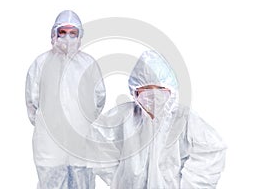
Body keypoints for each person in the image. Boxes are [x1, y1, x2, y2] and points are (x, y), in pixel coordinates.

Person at [91, 50, 226, 188]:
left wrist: (190, 184)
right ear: (135, 91)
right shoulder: (125, 116)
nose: (153, 95)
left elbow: (212, 149)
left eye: (160, 88)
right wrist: (118, 178)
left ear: (171, 89)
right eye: (146, 89)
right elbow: (96, 141)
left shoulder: (183, 119)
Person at [25, 10, 106, 189]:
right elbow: (32, 102)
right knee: (51, 182)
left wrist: (82, 121)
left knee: (82, 181)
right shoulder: (40, 64)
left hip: (81, 141)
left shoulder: (88, 64)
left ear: (80, 36)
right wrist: (47, 125)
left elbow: (99, 99)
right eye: (62, 32)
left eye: (73, 33)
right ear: (54, 34)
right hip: (49, 144)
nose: (67, 38)